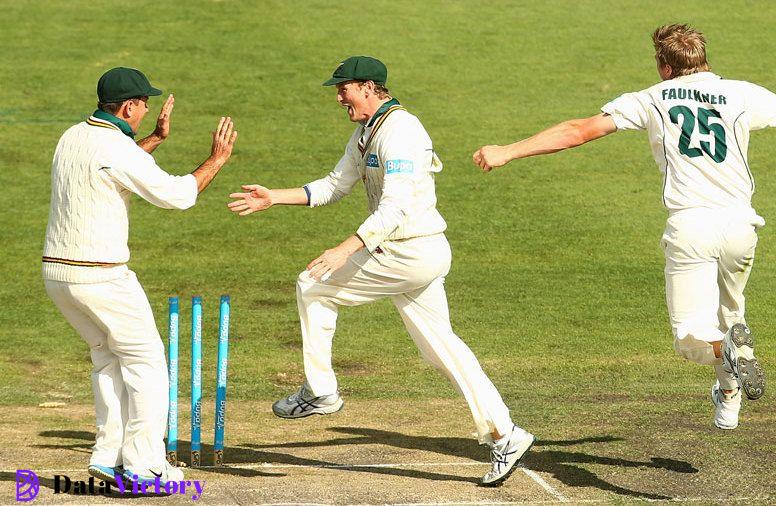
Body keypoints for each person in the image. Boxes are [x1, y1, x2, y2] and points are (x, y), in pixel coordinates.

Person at [472, 24, 776, 430]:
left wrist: (508, 150)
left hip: (692, 228)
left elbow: (578, 131)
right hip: (740, 227)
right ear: (705, 59)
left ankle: (727, 355)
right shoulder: (741, 93)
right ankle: (729, 399)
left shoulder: (651, 98)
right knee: (731, 316)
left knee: (691, 336)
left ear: (664, 66)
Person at [227, 56, 534, 485]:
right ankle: (506, 434)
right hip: (408, 254)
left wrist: (344, 248)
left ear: (370, 87)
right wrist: (274, 196)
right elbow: (336, 185)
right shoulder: (365, 133)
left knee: (313, 285)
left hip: (409, 252)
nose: (339, 97)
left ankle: (321, 391)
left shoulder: (403, 132)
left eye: (344, 88)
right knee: (440, 349)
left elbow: (396, 206)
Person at [43, 67, 237, 484]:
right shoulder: (117, 149)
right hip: (101, 277)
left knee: (107, 358)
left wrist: (155, 139)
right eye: (143, 103)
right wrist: (217, 159)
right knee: (147, 364)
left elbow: (117, 167)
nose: (147, 108)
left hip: (58, 275)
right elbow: (179, 195)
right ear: (130, 106)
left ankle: (108, 453)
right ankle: (145, 466)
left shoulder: (73, 135)